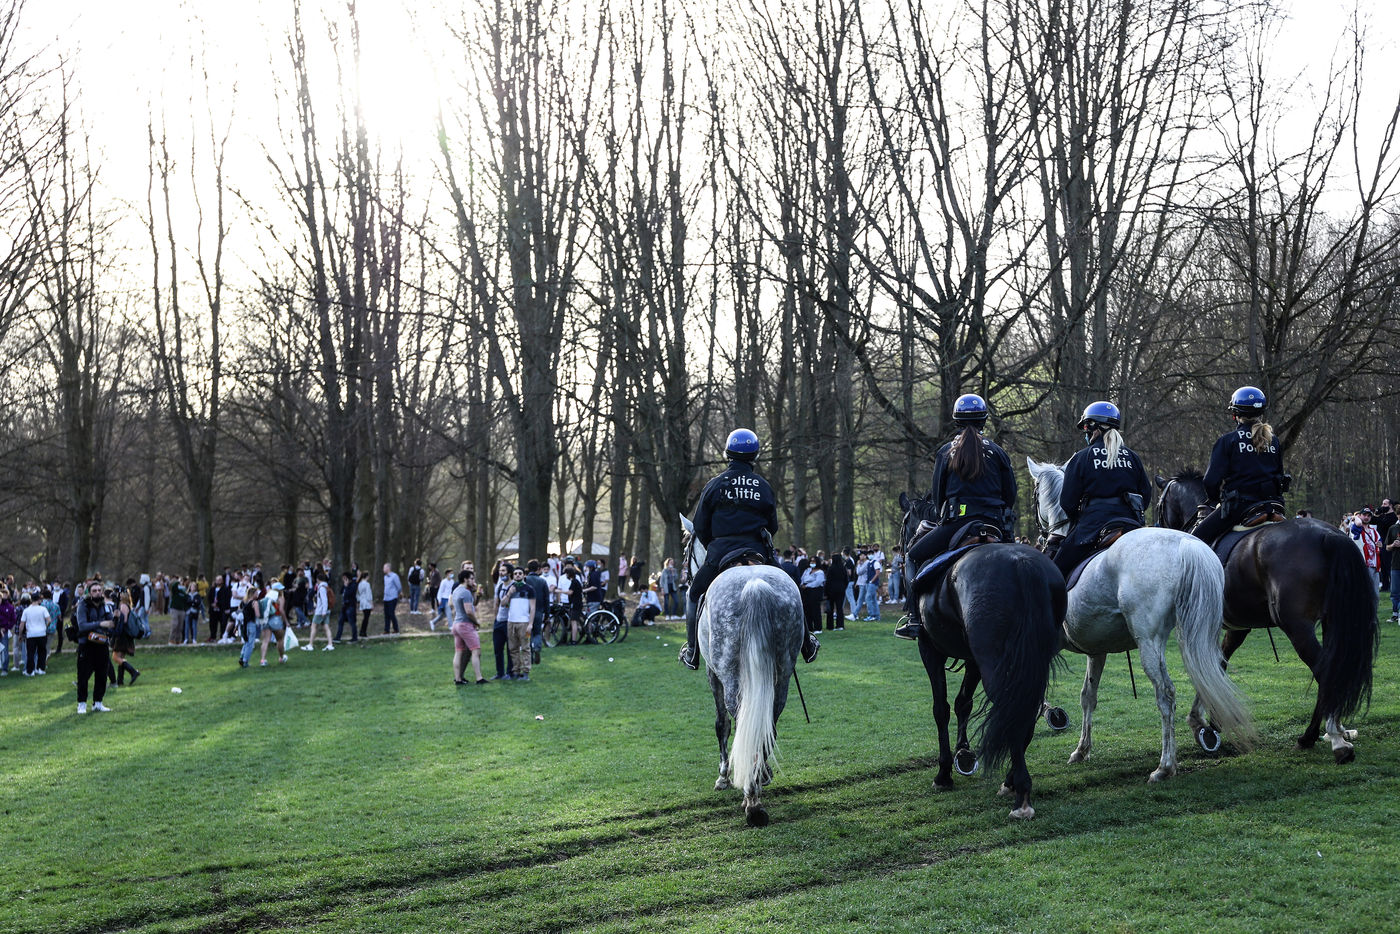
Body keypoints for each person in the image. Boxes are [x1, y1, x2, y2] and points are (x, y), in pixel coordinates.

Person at [679, 428, 819, 670]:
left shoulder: (714, 485)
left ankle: (692, 652)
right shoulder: (763, 486)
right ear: (755, 455)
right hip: (758, 551)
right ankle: (807, 645)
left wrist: (716, 543)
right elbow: (772, 526)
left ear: (728, 453)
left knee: (694, 594)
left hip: (721, 552)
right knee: (791, 589)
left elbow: (700, 527)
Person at [895, 394, 1016, 639]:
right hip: (994, 524)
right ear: (984, 420)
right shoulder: (998, 452)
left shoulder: (945, 452)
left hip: (957, 523)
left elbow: (939, 497)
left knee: (913, 556)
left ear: (956, 421)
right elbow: (1010, 495)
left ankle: (915, 619)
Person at [1050, 400, 1152, 579]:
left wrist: (1079, 518)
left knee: (1055, 573)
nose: (1086, 433)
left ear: (1092, 427)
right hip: (1130, 524)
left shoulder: (1082, 457)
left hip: (1093, 526)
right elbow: (1146, 496)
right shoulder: (1133, 457)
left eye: (1085, 428)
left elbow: (1067, 502)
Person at [1190, 386, 1287, 546]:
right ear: (1261, 413)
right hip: (1274, 506)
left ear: (1235, 414)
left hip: (1240, 507)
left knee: (1194, 540)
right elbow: (1280, 475)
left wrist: (1216, 499)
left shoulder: (1228, 441)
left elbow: (1210, 481)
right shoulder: (1273, 441)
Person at [75, 580, 116, 713]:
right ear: (89, 593)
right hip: (86, 645)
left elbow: (111, 624)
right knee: (83, 675)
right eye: (94, 591)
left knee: (102, 674)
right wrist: (100, 624)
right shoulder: (83, 605)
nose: (97, 593)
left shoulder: (106, 606)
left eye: (99, 590)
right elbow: (82, 625)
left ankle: (98, 702)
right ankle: (82, 704)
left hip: (102, 644)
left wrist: (116, 618)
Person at [450, 569, 485, 685]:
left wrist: (474, 591)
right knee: (476, 650)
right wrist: (477, 622)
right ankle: (479, 678)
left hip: (456, 624)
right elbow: (469, 611)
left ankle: (458, 679)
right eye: (472, 578)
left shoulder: (456, 590)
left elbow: (470, 603)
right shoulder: (465, 592)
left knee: (458, 652)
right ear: (465, 579)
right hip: (465, 625)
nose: (474, 581)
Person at [505, 566, 535, 681]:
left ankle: (526, 672)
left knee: (525, 648)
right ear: (513, 576)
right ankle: (516, 671)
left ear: (524, 575)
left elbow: (533, 608)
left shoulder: (529, 589)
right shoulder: (510, 588)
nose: (517, 575)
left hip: (524, 623)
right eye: (515, 573)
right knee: (513, 648)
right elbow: (503, 604)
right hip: (511, 622)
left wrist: (530, 624)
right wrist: (509, 594)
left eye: (520, 573)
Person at [111, 591, 141, 687]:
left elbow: (124, 621)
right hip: (125, 635)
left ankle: (133, 671)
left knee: (115, 657)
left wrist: (116, 616)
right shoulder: (126, 605)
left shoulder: (123, 606)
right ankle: (120, 681)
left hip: (122, 635)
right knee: (121, 657)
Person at [19, 593, 50, 676]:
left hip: (31, 634)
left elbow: (22, 624)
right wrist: (45, 626)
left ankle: (30, 671)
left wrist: (20, 635)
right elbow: (49, 620)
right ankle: (41, 669)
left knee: (30, 653)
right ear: (39, 600)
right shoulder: (43, 609)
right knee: (42, 652)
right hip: (42, 633)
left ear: (31, 600)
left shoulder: (26, 610)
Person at [305, 569, 335, 651]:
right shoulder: (326, 586)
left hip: (321, 611)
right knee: (326, 627)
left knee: (313, 626)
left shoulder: (321, 588)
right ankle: (330, 644)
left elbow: (324, 600)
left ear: (318, 579)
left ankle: (310, 644)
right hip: (326, 610)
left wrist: (323, 611)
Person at [799, 558, 825, 635]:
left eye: (813, 561)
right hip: (806, 591)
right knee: (807, 609)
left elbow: (818, 582)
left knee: (815, 609)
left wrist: (808, 585)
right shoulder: (807, 570)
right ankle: (809, 627)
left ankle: (818, 627)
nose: (812, 563)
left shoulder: (820, 572)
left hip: (815, 591)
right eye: (811, 561)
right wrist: (802, 585)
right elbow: (803, 578)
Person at [336, 571, 360, 643]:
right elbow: (341, 592)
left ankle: (354, 638)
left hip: (350, 606)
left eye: (345, 578)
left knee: (352, 622)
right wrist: (344, 586)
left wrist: (346, 587)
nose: (343, 580)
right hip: (344, 606)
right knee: (340, 621)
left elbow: (349, 594)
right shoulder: (345, 585)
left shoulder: (353, 585)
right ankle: (338, 637)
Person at [1385, 514, 1400, 622]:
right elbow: (1387, 547)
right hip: (1395, 564)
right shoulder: (1393, 528)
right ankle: (1395, 614)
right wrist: (1393, 545)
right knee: (1394, 591)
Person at [381, 563, 402, 634]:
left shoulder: (394, 576)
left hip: (392, 597)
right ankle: (386, 630)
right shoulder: (385, 577)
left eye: (384, 568)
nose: (383, 569)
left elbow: (399, 587)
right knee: (386, 614)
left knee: (391, 613)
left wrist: (396, 593)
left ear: (388, 568)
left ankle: (396, 629)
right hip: (386, 598)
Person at [357, 571, 374, 636]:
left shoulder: (359, 584)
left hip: (362, 601)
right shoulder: (367, 584)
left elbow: (358, 594)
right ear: (367, 576)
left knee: (365, 617)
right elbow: (368, 594)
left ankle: (362, 631)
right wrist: (371, 603)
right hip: (367, 602)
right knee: (366, 618)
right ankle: (363, 631)